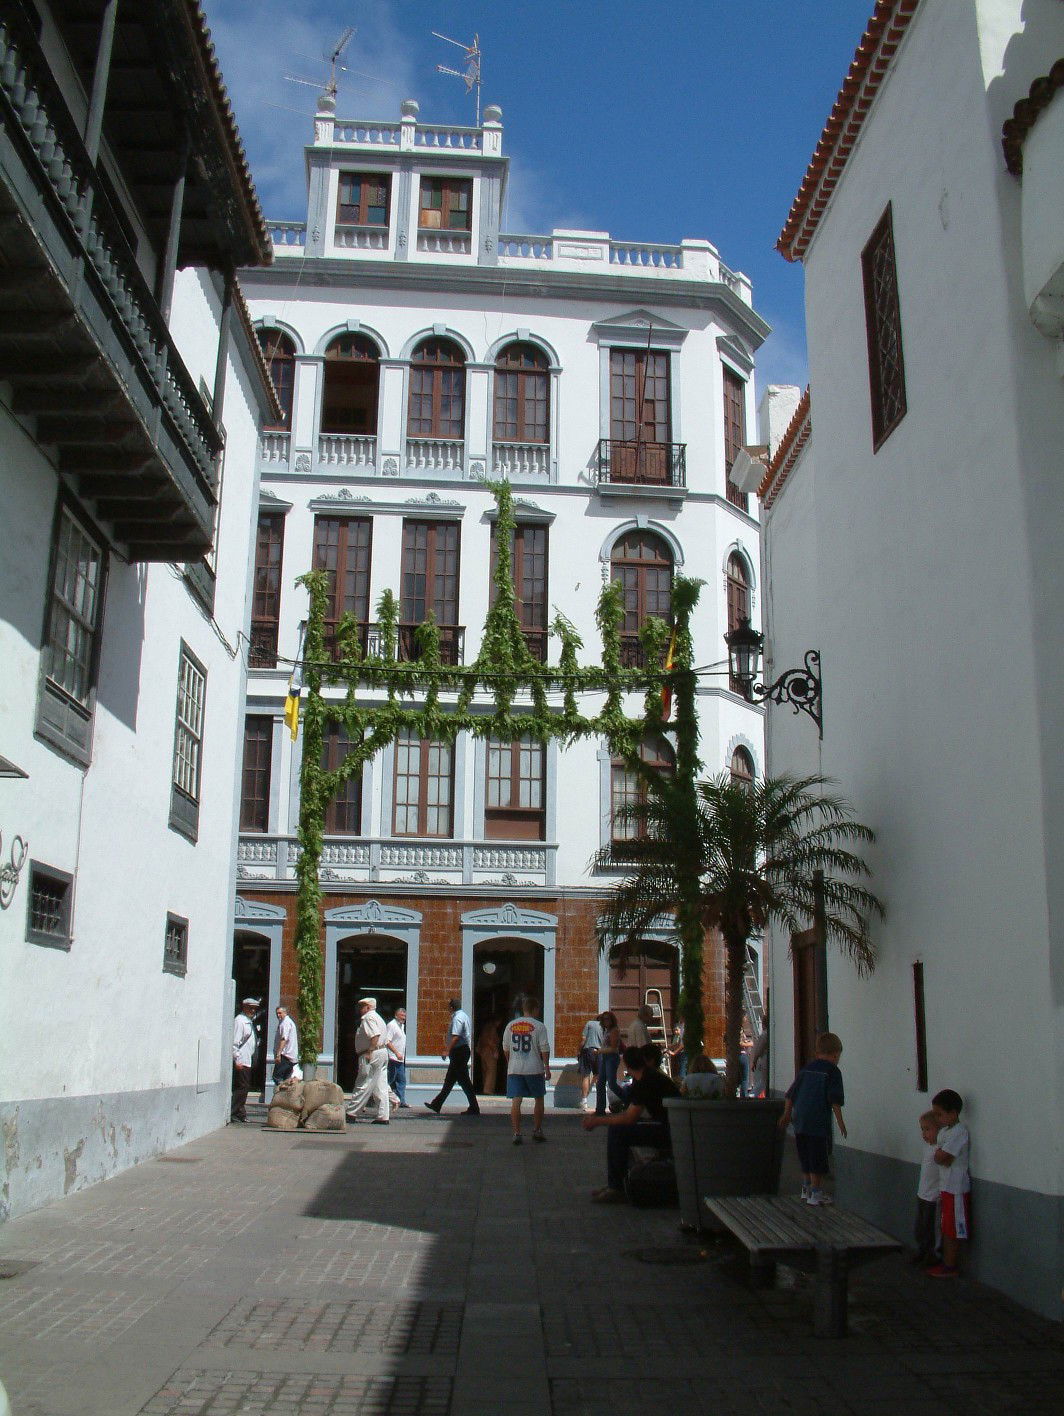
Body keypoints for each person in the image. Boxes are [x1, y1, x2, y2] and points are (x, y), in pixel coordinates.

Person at [582, 1045, 680, 1202]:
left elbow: (629, 1118)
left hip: (670, 1130)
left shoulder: (646, 1081)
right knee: (620, 1129)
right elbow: (632, 1114)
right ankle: (618, 1183)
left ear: (626, 1064)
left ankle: (616, 1187)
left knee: (619, 1131)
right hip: (671, 1127)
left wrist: (597, 1120)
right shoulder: (646, 1078)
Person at [778, 1030, 846, 1206]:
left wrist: (786, 1114)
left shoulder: (806, 1070)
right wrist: (840, 1122)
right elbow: (834, 1100)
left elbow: (790, 1094)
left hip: (800, 1120)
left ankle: (806, 1188)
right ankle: (816, 1192)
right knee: (818, 1156)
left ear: (817, 1053)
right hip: (817, 1121)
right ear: (835, 1054)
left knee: (805, 1154)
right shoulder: (832, 1072)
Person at [927, 1089, 970, 1279]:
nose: (937, 1119)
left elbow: (943, 1157)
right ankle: (946, 1262)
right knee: (945, 1226)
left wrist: (939, 1155)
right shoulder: (945, 1131)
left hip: (956, 1188)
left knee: (953, 1228)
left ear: (953, 1113)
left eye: (940, 1114)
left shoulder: (960, 1132)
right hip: (945, 1186)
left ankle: (951, 1265)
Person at [502, 996, 551, 1144]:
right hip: (534, 1068)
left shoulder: (510, 1026)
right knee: (539, 1098)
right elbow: (544, 1048)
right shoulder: (540, 1026)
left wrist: (510, 1062)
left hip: (515, 1069)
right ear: (535, 1009)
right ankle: (537, 1130)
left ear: (523, 1009)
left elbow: (505, 1048)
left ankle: (517, 1133)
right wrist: (547, 1067)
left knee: (516, 1101)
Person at [426, 998, 480, 1115]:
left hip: (459, 1051)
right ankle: (437, 1104)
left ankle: (474, 1107)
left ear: (451, 1008)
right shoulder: (463, 1016)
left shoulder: (458, 1018)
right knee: (450, 1080)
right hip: (461, 1051)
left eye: (448, 1007)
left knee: (463, 1081)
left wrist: (447, 1050)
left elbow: (456, 1036)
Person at [345, 997, 391, 1125]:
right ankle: (383, 1116)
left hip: (372, 1053)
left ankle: (351, 1112)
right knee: (380, 1084)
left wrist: (369, 1051)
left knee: (364, 1082)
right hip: (382, 1052)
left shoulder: (368, 1018)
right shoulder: (379, 1018)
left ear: (369, 1007)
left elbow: (375, 1035)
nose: (360, 1009)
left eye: (363, 1006)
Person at [914, 1110, 941, 1267]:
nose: (924, 1134)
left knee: (931, 1227)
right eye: (922, 1129)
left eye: (928, 1129)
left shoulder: (939, 1149)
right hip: (922, 1193)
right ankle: (921, 1250)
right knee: (920, 1226)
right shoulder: (927, 1148)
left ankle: (932, 1255)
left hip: (933, 1196)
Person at [231, 997, 258, 1122]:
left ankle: (240, 1112)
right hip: (242, 1060)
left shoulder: (248, 1021)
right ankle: (234, 1112)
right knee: (242, 1087)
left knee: (244, 1087)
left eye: (254, 1008)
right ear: (244, 1007)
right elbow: (235, 1042)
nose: (252, 1010)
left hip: (247, 1060)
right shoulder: (240, 1021)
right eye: (250, 1008)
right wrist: (237, 1060)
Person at [595, 1011, 621, 1116]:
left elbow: (614, 1048)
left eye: (608, 1019)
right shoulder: (606, 1030)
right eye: (604, 1019)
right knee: (600, 1083)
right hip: (605, 1057)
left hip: (611, 1058)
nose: (606, 1021)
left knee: (612, 1084)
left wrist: (600, 1051)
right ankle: (600, 1110)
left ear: (612, 1020)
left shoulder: (614, 1030)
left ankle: (627, 1099)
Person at [578, 1015, 604, 1112]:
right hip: (599, 1052)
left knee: (586, 1076)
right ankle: (599, 1102)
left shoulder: (589, 1023)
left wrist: (578, 1051)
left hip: (587, 1050)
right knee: (598, 1076)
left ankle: (584, 1102)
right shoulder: (604, 1027)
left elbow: (583, 1040)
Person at [385, 1006, 408, 1109]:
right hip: (392, 1058)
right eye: (402, 1015)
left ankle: (400, 1101)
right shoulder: (392, 1025)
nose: (404, 1018)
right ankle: (379, 1099)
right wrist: (396, 1052)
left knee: (401, 1081)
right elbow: (387, 1041)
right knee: (388, 1080)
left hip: (399, 1059)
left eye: (405, 1016)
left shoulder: (401, 1026)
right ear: (396, 1016)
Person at [273, 1005, 298, 1086]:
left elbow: (284, 1039)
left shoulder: (285, 1023)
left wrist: (278, 1054)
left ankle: (282, 1094)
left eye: (280, 1013)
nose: (278, 1015)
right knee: (286, 1078)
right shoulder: (287, 1022)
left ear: (285, 1013)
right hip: (290, 1056)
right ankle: (287, 1095)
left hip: (285, 1055)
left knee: (277, 1077)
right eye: (277, 1013)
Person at [476, 1014, 502, 1096]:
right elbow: (490, 1040)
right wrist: (495, 1051)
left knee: (485, 1070)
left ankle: (485, 1088)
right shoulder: (492, 1028)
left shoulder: (485, 1028)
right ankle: (488, 1090)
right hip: (489, 1051)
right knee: (491, 1071)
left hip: (483, 1051)